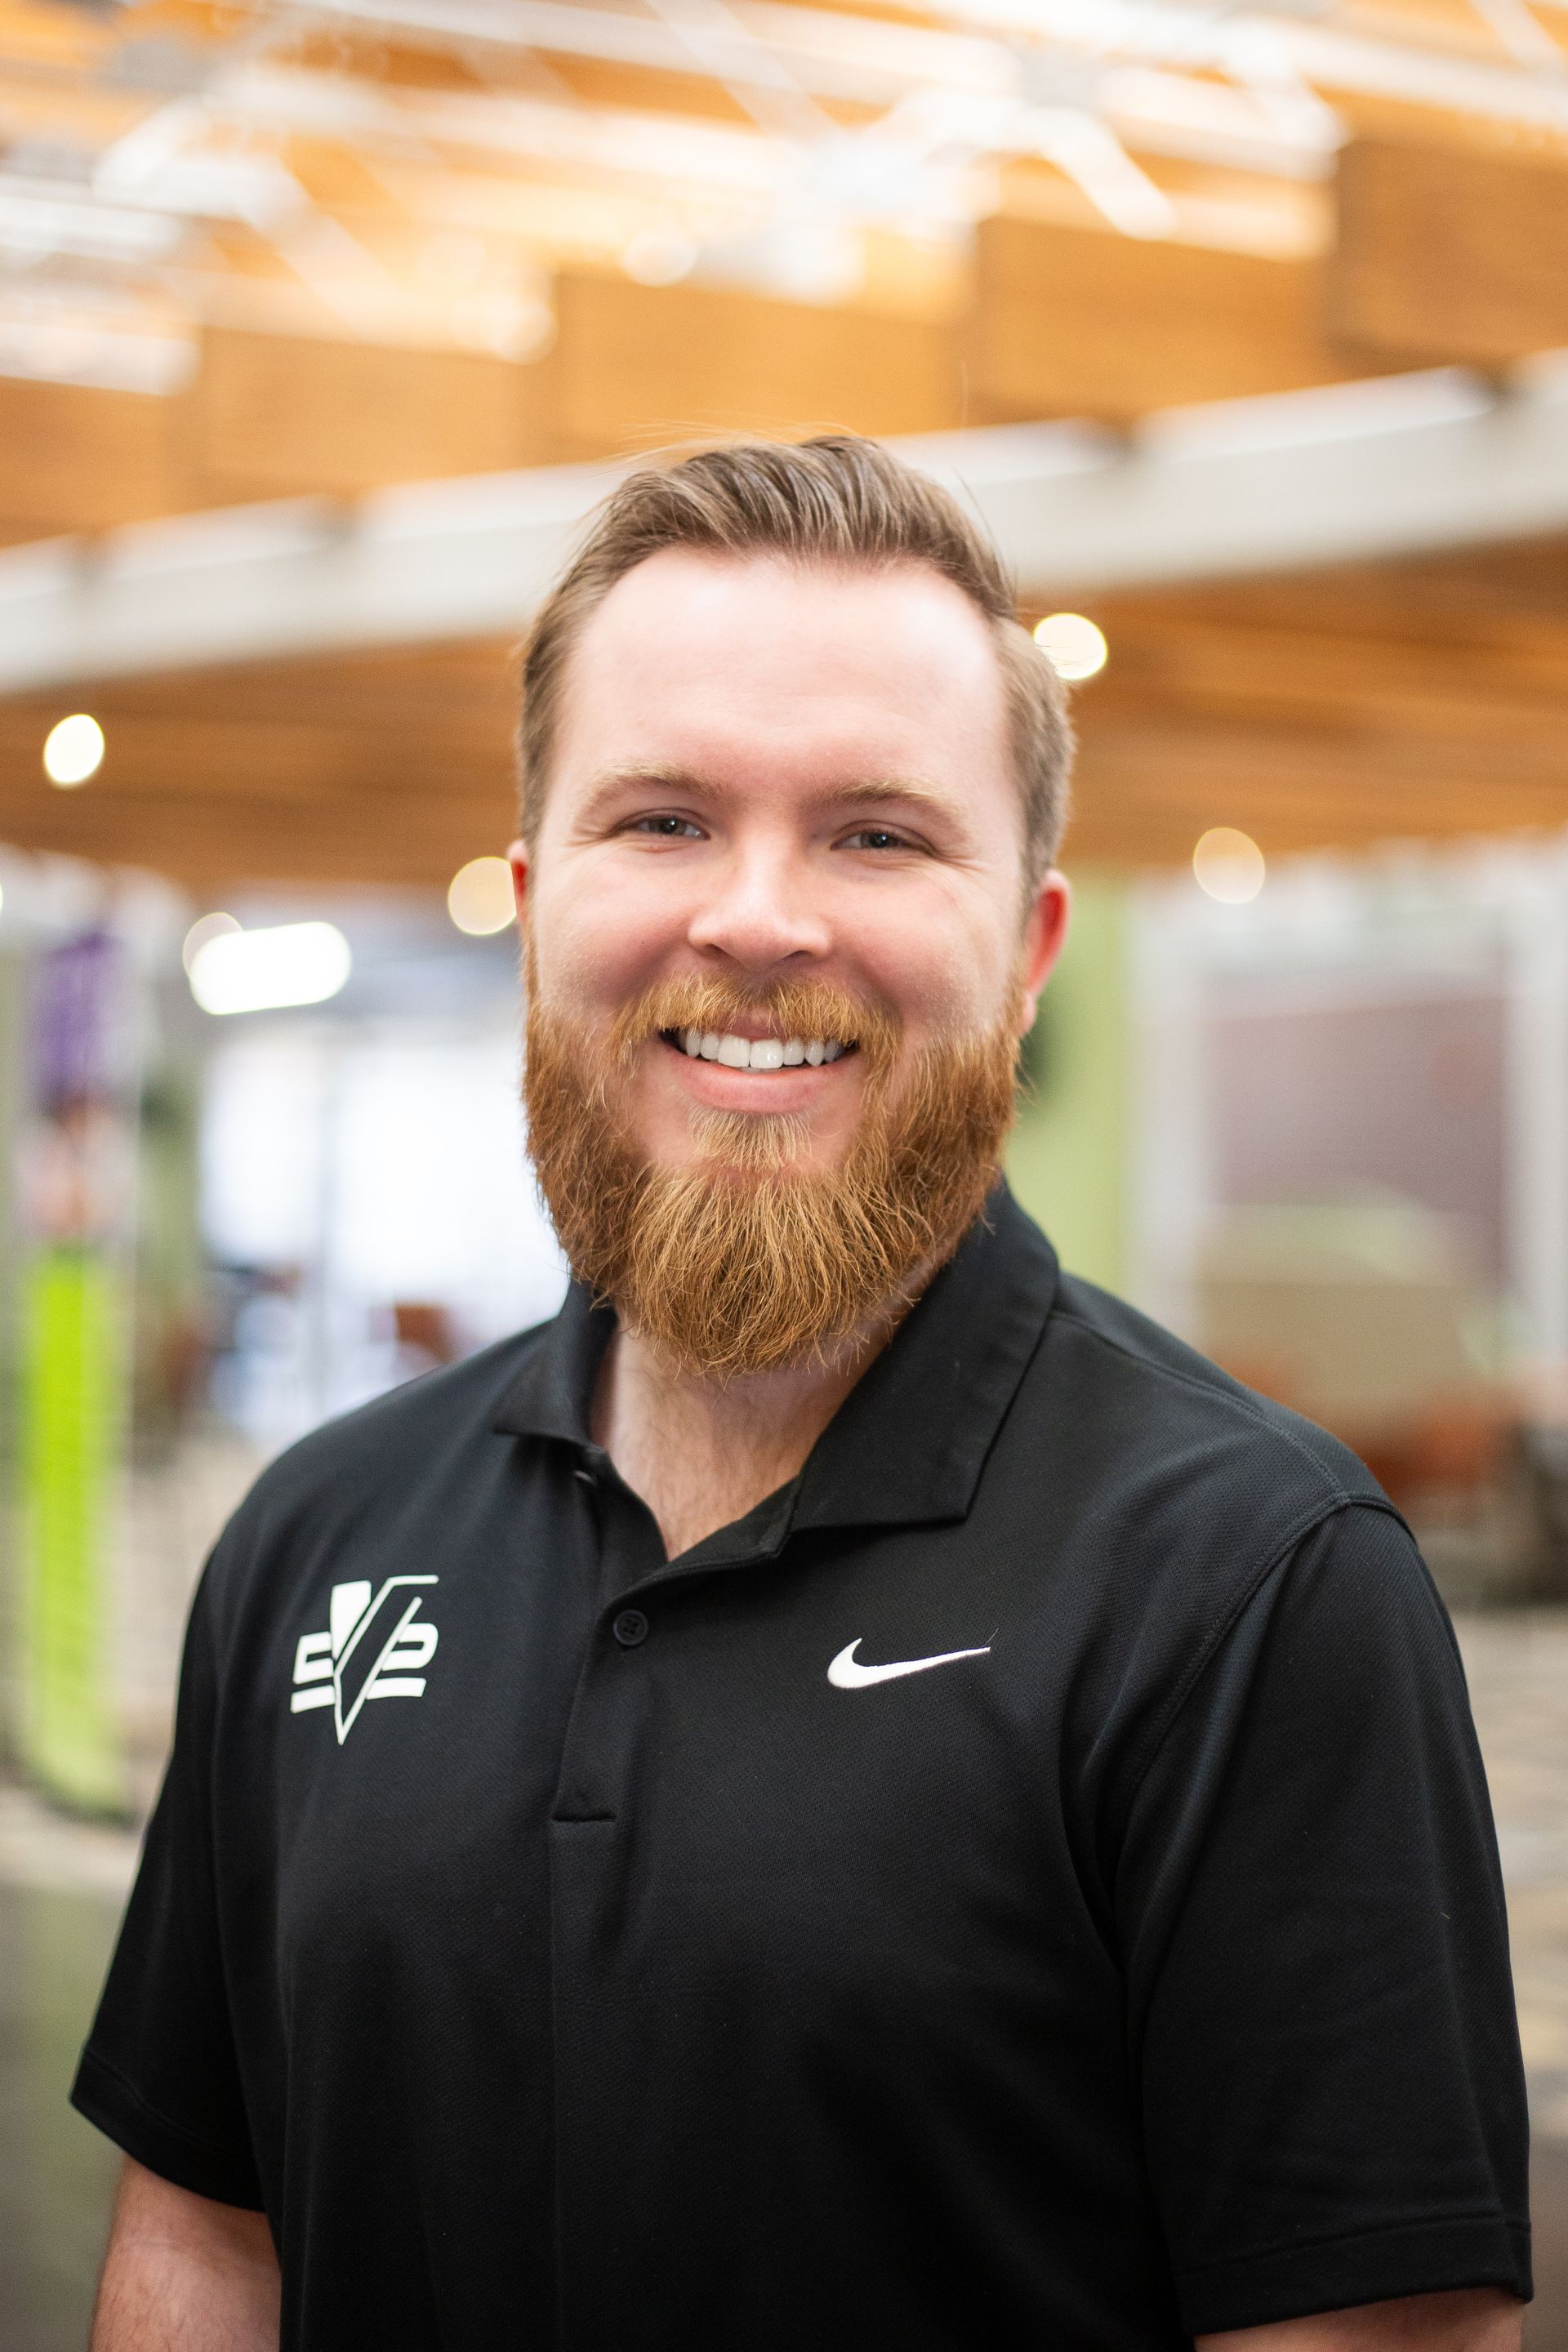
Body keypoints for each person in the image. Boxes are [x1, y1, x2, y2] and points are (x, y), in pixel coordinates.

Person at [78, 436, 1529, 2352]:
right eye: (663, 819)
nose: (758, 921)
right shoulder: (318, 1537)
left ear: (1025, 953)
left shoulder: (1255, 1582)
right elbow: (210, 2243)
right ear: (531, 907)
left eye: (877, 832)